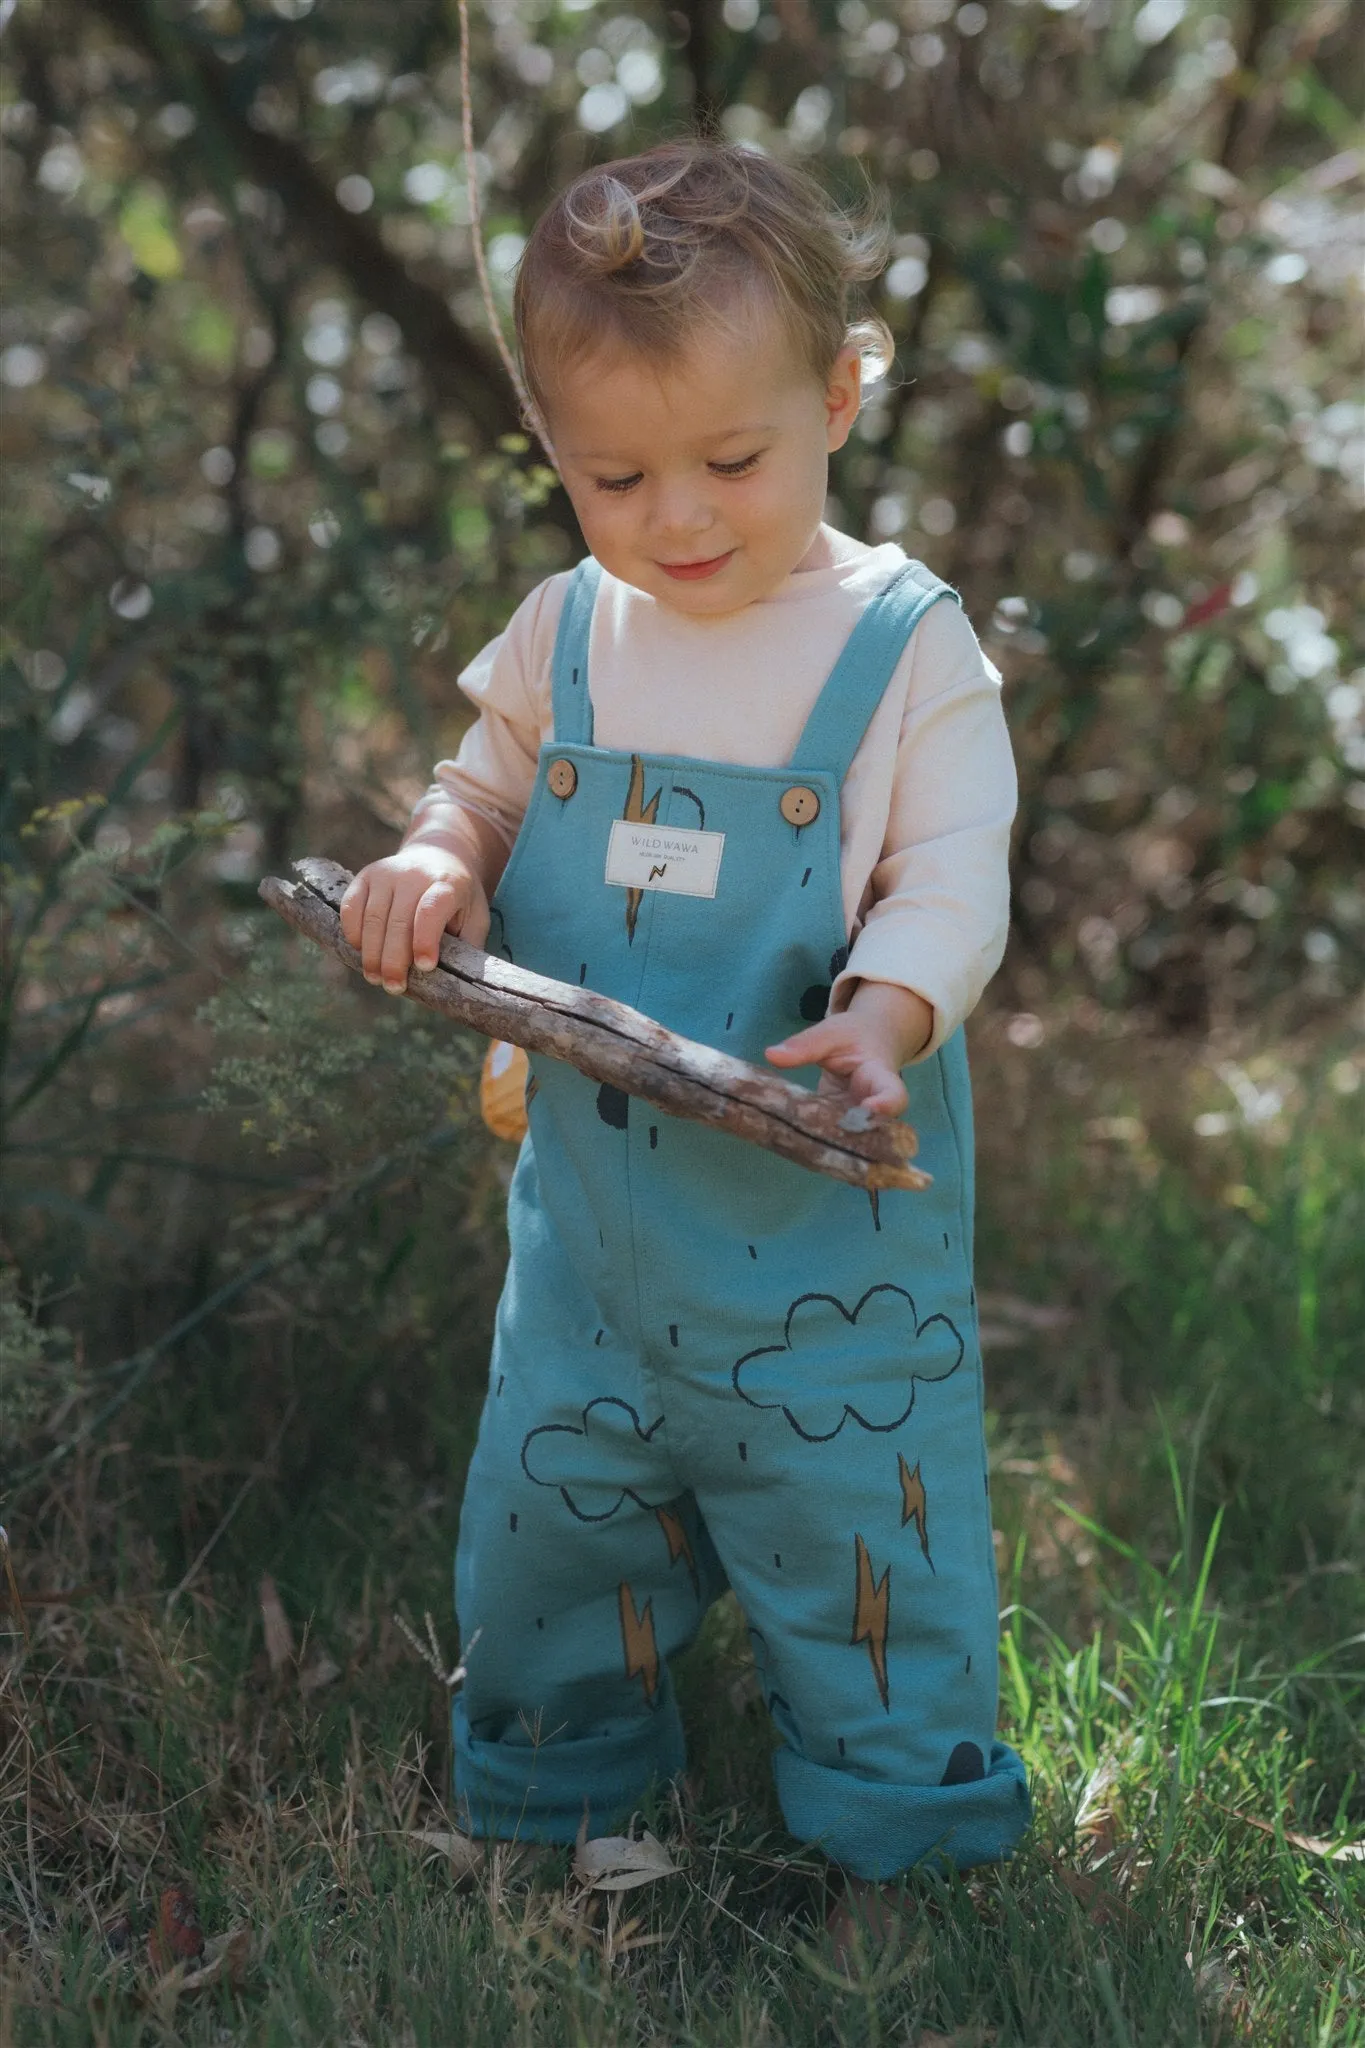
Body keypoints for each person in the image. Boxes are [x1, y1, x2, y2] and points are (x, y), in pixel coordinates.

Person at [339, 140, 1030, 1938]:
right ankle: (559, 1804)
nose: (679, 516)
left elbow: (951, 880)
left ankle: (902, 1847)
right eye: (614, 473)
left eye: (733, 460)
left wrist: (887, 1013)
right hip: (595, 1252)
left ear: (839, 394)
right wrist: (433, 862)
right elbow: (481, 795)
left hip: (832, 1268)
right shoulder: (570, 631)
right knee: (550, 1522)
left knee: (867, 1547)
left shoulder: (903, 649)